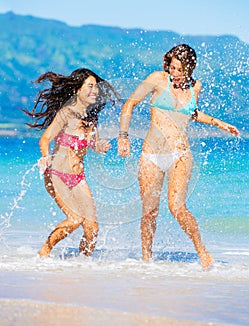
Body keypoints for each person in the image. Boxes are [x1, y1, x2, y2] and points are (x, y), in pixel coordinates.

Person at [118, 44, 239, 269]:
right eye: (172, 67)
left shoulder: (196, 87)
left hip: (180, 153)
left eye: (180, 69)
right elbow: (130, 103)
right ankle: (146, 260)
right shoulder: (157, 79)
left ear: (190, 69)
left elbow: (191, 113)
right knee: (149, 213)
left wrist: (219, 123)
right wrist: (123, 136)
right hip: (151, 155)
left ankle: (202, 252)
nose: (174, 73)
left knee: (177, 208)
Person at [23, 68, 119, 257]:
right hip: (56, 175)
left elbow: (93, 144)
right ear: (77, 90)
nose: (95, 91)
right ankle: (44, 252)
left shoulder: (91, 118)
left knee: (92, 228)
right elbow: (45, 139)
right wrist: (46, 157)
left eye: (96, 87)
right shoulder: (66, 113)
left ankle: (82, 265)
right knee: (75, 218)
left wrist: (100, 146)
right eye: (89, 87)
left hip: (78, 177)